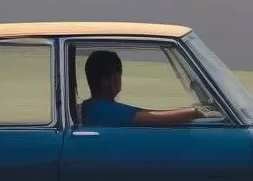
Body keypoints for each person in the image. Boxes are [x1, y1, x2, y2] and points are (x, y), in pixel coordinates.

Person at [79, 49, 208, 126]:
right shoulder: (105, 110)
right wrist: (195, 112)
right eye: (117, 76)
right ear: (106, 82)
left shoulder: (90, 106)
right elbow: (157, 118)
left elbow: (149, 112)